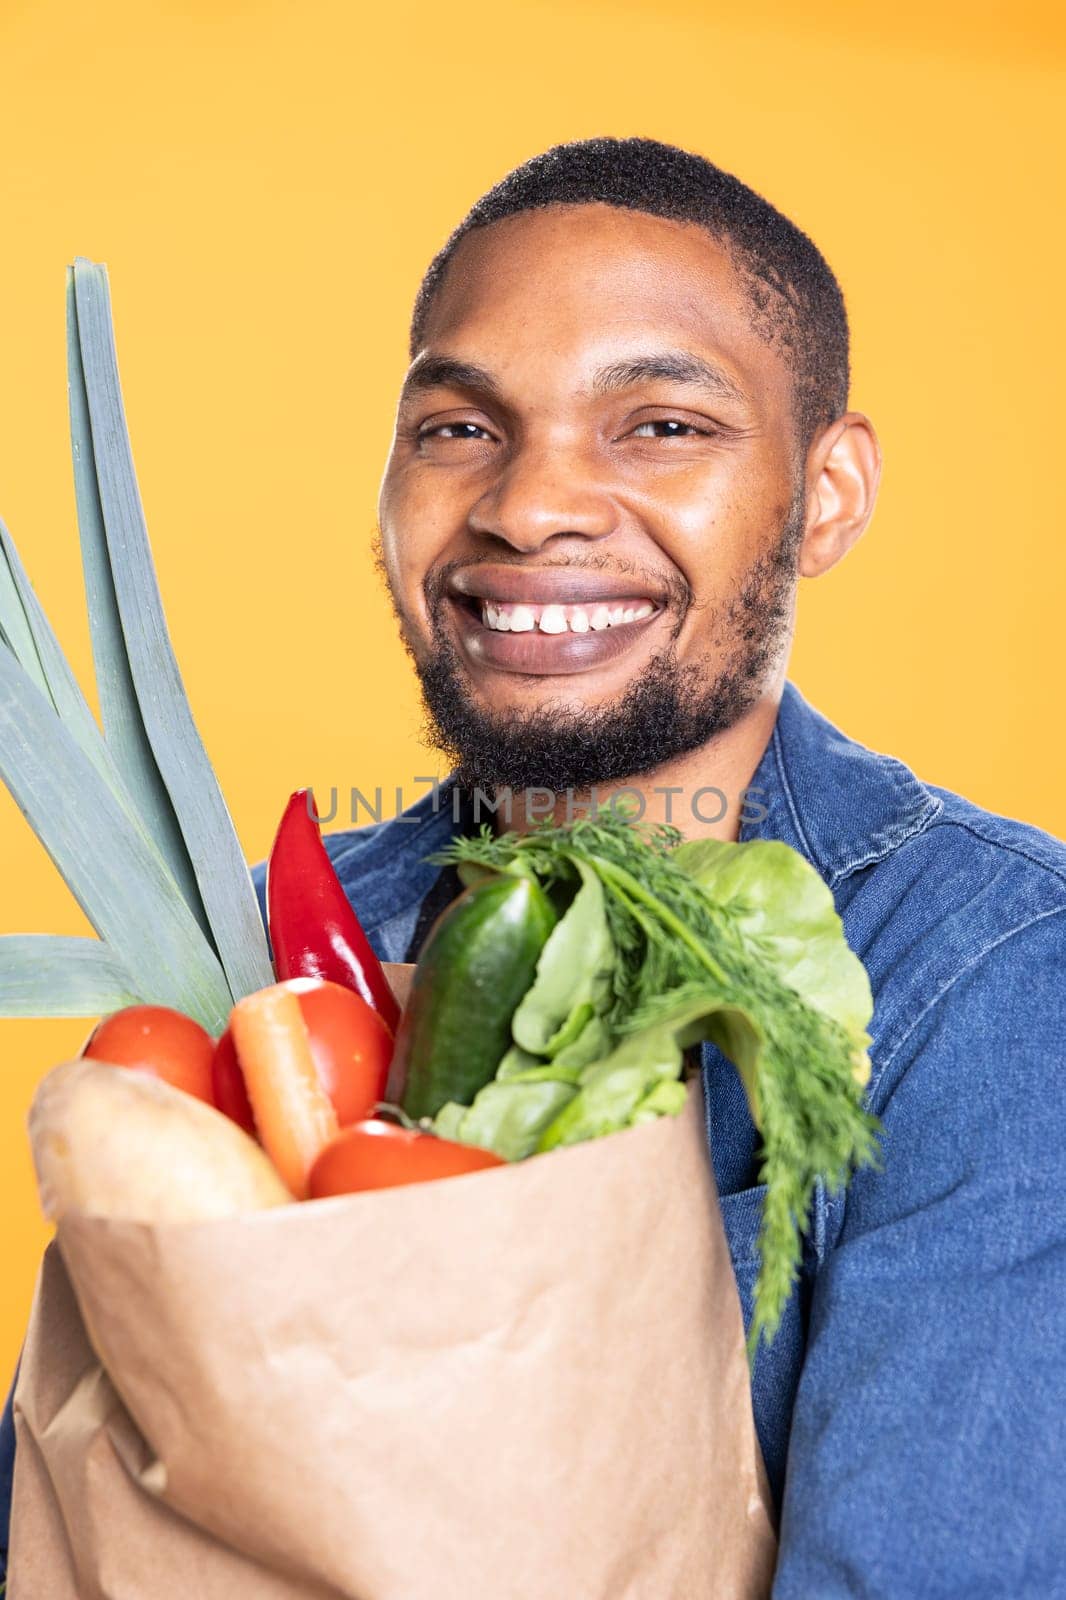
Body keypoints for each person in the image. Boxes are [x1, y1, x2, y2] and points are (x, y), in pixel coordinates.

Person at [2, 136, 1064, 1596]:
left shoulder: (996, 970)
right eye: (457, 429)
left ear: (824, 497)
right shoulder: (246, 954)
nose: (528, 504)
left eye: (658, 427)